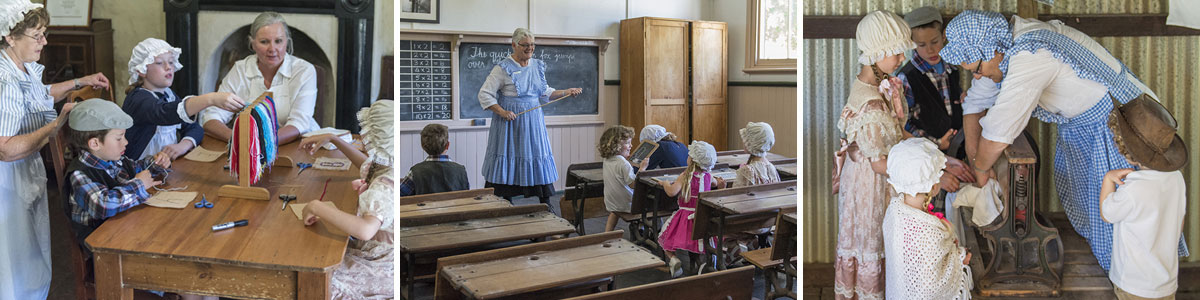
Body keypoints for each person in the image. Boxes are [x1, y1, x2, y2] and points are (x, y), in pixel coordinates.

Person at [939, 9, 1187, 271]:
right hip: (1085, 122)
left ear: (991, 49)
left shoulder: (1030, 56)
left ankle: (1136, 281)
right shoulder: (1003, 48)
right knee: (1096, 208)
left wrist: (980, 168)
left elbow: (998, 135)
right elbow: (976, 103)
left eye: (977, 69)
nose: (976, 76)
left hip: (1121, 126)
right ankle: (1117, 273)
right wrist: (975, 155)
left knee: (1127, 215)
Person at [0, 1, 109, 298]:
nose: (45, 42)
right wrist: (57, 123)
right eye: (38, 35)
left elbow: (41, 93)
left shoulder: (20, 66)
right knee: (14, 261)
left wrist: (80, 81)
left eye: (44, 33)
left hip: (24, 170)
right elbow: (5, 150)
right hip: (7, 181)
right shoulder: (5, 80)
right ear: (10, 36)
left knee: (31, 254)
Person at [477, 28, 582, 205]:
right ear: (514, 45)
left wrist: (567, 91)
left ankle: (545, 203)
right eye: (525, 45)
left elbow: (544, 93)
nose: (530, 49)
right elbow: (484, 94)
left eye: (532, 45)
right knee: (508, 156)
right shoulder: (502, 68)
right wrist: (503, 112)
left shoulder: (537, 65)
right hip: (510, 123)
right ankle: (506, 202)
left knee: (537, 154)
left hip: (533, 121)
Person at [301, 100, 394, 299]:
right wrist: (334, 139)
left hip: (380, 263)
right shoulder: (386, 166)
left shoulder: (385, 185)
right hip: (375, 252)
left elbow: (365, 230)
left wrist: (317, 206)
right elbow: (365, 165)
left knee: (318, 281)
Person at [1099, 97, 1187, 300]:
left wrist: (1108, 178)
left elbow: (1107, 213)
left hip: (1134, 284)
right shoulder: (1176, 179)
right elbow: (1178, 222)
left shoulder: (1133, 188)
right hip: (1166, 282)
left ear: (1126, 149)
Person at [201, 11, 318, 145]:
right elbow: (211, 116)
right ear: (253, 44)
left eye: (278, 41)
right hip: (248, 147)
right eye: (264, 42)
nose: (272, 48)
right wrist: (236, 139)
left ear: (287, 42)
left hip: (298, 145)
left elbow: (299, 124)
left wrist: (262, 144)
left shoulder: (304, 71)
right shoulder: (240, 70)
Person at [122, 38, 245, 161]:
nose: (168, 67)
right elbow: (163, 112)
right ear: (141, 70)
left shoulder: (169, 95)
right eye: (159, 63)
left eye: (171, 62)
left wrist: (183, 145)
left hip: (164, 167)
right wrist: (210, 99)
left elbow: (195, 128)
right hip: (137, 173)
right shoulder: (137, 98)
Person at [882, 138, 973, 300]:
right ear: (933, 187)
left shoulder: (894, 212)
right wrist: (960, 258)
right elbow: (930, 287)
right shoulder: (928, 230)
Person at [897, 6, 964, 155]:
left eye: (934, 42)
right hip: (926, 153)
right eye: (921, 45)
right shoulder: (907, 78)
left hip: (958, 148)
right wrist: (935, 143)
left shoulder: (952, 69)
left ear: (943, 36)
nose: (930, 50)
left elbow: (954, 101)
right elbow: (903, 123)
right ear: (912, 44)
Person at [656, 141, 723, 278]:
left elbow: (671, 192)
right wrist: (722, 183)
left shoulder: (685, 176)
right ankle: (704, 261)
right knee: (698, 240)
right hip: (702, 218)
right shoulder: (709, 177)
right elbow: (719, 184)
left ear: (691, 160)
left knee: (664, 238)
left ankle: (674, 259)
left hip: (685, 219)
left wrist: (665, 183)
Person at [391, 122, 468, 196]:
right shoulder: (461, 171)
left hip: (424, 209)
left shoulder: (415, 172)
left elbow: (400, 195)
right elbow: (466, 196)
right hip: (455, 209)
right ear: (447, 145)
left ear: (423, 146)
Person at [598, 125, 648, 232]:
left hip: (612, 203)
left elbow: (619, 171)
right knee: (652, 202)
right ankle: (645, 229)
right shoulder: (623, 164)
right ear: (616, 145)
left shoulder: (607, 159)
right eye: (627, 143)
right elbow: (634, 184)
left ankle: (607, 233)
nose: (631, 145)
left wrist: (627, 162)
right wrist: (642, 168)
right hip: (628, 205)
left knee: (614, 213)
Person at [732, 122, 779, 187]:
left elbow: (735, 195)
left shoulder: (746, 171)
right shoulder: (772, 168)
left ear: (752, 143)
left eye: (746, 139)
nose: (743, 141)